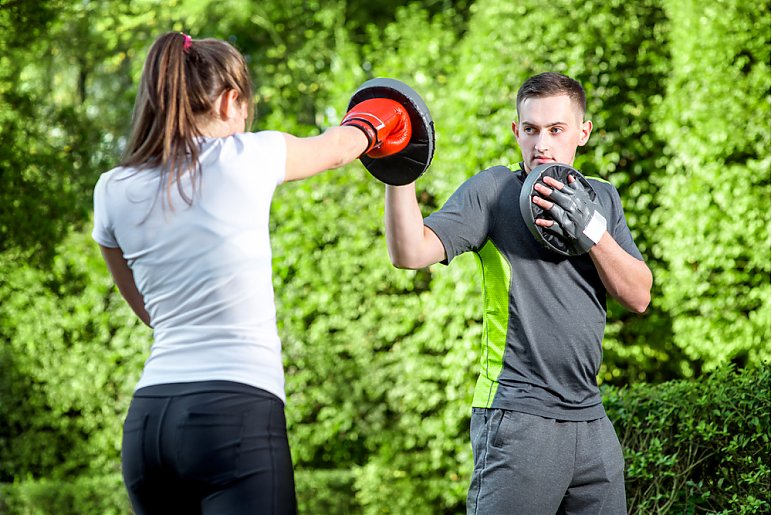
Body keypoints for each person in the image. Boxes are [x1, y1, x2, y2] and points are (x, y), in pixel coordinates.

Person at [92, 32, 411, 514]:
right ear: (229, 101)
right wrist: (388, 116)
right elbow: (338, 148)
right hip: (233, 412)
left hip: (149, 423)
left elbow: (148, 310)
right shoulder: (243, 157)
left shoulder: (112, 188)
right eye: (245, 108)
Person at [384, 72, 652, 514]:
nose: (542, 144)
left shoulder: (602, 198)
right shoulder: (494, 191)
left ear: (583, 132)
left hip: (591, 419)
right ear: (516, 131)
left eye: (556, 129)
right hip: (519, 416)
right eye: (531, 129)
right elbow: (410, 252)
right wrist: (400, 172)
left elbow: (639, 295)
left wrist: (593, 232)